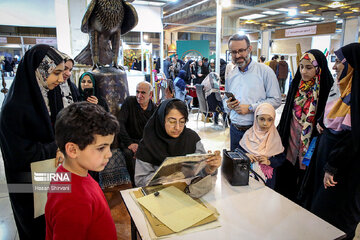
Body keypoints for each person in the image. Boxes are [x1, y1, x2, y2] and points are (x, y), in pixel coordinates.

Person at [0, 44, 65, 239]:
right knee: (35, 227)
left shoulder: (47, 93)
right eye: (56, 73)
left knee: (55, 218)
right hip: (25, 182)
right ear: (39, 71)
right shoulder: (13, 108)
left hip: (50, 172)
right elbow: (19, 154)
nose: (61, 79)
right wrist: (57, 146)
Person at [306, 43, 360, 239]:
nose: (335, 66)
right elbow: (329, 113)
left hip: (344, 163)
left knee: (335, 213)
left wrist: (333, 166)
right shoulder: (341, 85)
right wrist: (322, 121)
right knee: (320, 209)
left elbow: (354, 136)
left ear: (352, 64)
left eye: (339, 61)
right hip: (328, 152)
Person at [45, 102, 118, 240]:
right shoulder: (72, 201)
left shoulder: (74, 173)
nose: (109, 154)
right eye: (101, 147)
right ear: (72, 150)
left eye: (109, 146)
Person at [275, 50, 334, 202]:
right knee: (288, 175)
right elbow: (287, 113)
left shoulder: (327, 90)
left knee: (305, 181)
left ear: (318, 68)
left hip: (310, 146)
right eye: (301, 67)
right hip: (292, 141)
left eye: (308, 67)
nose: (303, 71)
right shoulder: (296, 85)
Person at [134, 99, 221, 187]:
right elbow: (140, 180)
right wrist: (166, 176)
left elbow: (202, 171)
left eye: (182, 121)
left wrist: (209, 169)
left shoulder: (191, 138)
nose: (177, 127)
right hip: (159, 193)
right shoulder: (148, 143)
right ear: (161, 119)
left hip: (187, 190)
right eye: (172, 121)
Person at [225, 34, 281, 151]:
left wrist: (251, 108)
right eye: (233, 52)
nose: (238, 55)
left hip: (257, 130)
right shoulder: (231, 74)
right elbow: (225, 101)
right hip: (234, 129)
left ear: (250, 49)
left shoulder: (265, 71)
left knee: (255, 167)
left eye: (241, 50)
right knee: (235, 166)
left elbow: (276, 100)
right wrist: (228, 105)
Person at [117, 81, 156, 184]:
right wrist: (129, 143)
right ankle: (135, 184)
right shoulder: (129, 101)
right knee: (128, 153)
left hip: (144, 142)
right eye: (137, 92)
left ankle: (152, 182)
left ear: (150, 94)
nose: (139, 95)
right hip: (128, 140)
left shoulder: (154, 109)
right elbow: (120, 123)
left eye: (143, 93)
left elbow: (153, 132)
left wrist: (142, 146)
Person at [239, 103, 285, 189]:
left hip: (267, 179)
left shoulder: (275, 137)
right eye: (262, 119)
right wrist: (245, 155)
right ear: (256, 118)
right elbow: (238, 152)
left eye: (269, 120)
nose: (265, 123)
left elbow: (281, 158)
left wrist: (269, 161)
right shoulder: (249, 134)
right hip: (248, 176)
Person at [48, 54, 80, 125]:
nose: (68, 73)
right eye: (65, 68)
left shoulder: (73, 87)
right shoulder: (49, 87)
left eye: (70, 70)